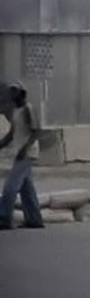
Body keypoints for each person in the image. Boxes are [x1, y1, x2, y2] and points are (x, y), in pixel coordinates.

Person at [0, 82, 44, 230]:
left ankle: (4, 219)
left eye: (14, 91)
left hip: (27, 153)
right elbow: (12, 134)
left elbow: (37, 131)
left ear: (21, 93)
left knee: (10, 187)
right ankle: (35, 220)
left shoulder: (28, 109)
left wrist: (25, 148)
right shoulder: (16, 112)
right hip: (19, 153)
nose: (11, 94)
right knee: (27, 190)